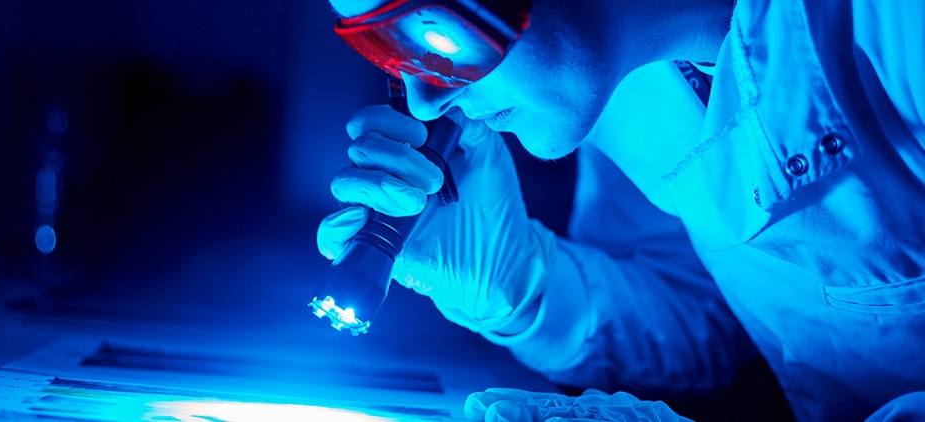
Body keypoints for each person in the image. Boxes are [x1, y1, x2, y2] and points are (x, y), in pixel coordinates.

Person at [316, 0, 925, 420]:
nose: (424, 103)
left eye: (430, 31)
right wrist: (522, 285)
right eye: (385, 49)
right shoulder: (623, 68)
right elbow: (704, 313)